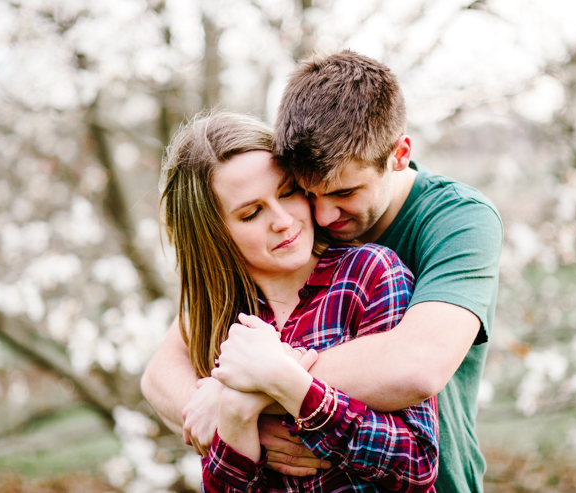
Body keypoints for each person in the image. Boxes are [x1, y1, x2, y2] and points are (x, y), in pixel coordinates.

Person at [143, 51, 503, 493]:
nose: (324, 215)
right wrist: (232, 421)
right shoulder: (275, 262)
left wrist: (253, 387)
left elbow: (417, 365)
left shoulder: (455, 221)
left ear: (399, 155)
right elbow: (163, 370)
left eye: (344, 192)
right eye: (307, 191)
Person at [157, 111, 438, 491]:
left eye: (288, 191)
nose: (283, 221)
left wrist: (287, 386)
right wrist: (238, 415)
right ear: (215, 236)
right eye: (252, 213)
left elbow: (416, 464)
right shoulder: (224, 326)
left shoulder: (369, 274)